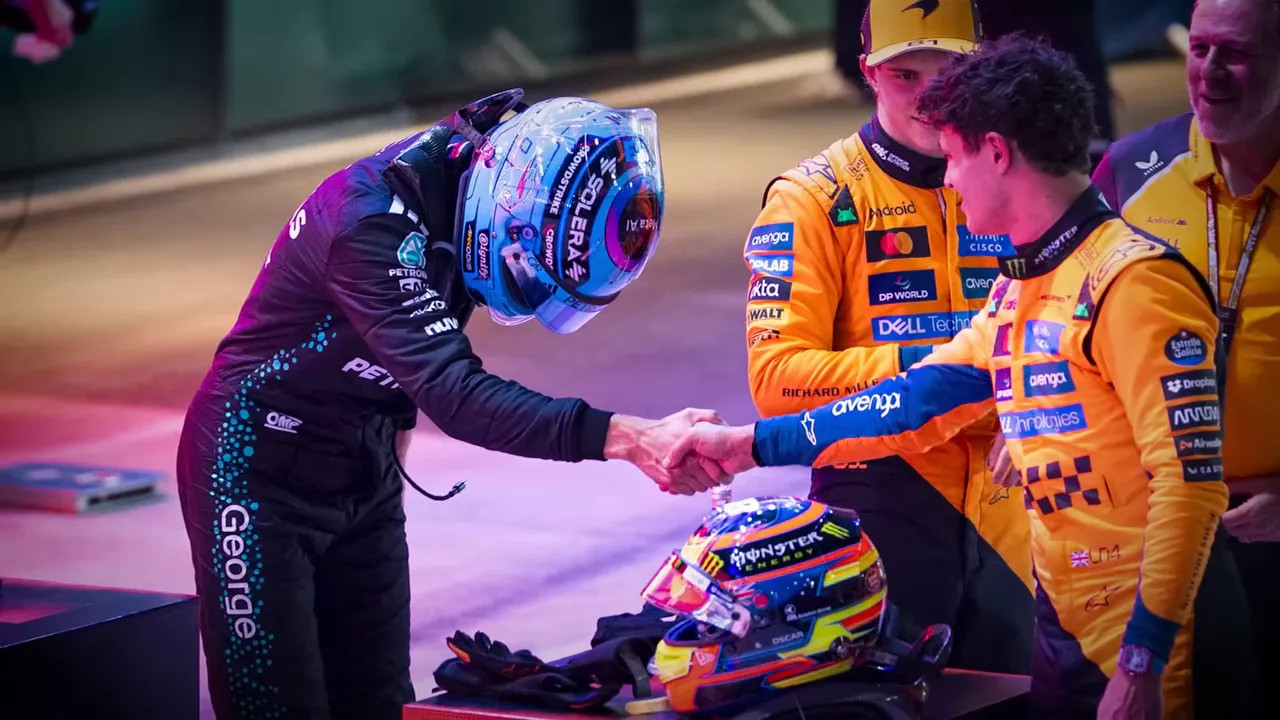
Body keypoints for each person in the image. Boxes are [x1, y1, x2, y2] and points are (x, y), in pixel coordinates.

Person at [674, 35, 1255, 719]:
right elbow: (910, 400)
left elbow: (1189, 487)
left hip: (1160, 649)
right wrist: (748, 446)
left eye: (954, 157)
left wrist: (1143, 662)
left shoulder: (1136, 283)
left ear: (997, 152)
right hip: (1070, 634)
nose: (947, 181)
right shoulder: (1020, 289)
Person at [175, 90, 730, 719]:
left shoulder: (477, 177)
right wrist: (632, 438)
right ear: (510, 204)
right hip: (254, 476)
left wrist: (381, 462)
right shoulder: (368, 223)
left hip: (364, 469)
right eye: (523, 267)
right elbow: (454, 393)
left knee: (381, 705)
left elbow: (410, 369)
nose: (518, 286)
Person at [742, 0, 1032, 675]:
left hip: (1016, 505)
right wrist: (948, 368)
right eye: (906, 75)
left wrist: (1037, 405)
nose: (929, 97)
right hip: (879, 501)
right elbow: (777, 382)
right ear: (869, 72)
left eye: (949, 72)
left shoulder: (1020, 177)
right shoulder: (810, 199)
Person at [1091, 0, 1280, 714]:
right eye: (1199, 49)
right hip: (1154, 534)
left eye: (1237, 53)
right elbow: (1059, 313)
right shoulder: (1129, 169)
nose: (1210, 72)